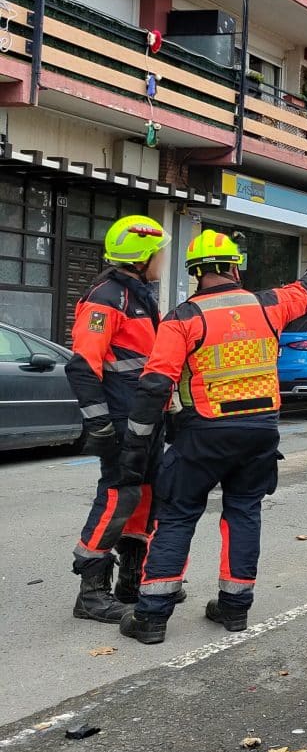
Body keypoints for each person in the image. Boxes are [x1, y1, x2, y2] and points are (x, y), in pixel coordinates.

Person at [114, 232, 307, 644]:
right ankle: (233, 610)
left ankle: (152, 618)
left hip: (202, 434)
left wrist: (136, 445)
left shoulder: (181, 318)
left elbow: (154, 385)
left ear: (195, 273)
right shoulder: (269, 304)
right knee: (244, 512)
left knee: (177, 515)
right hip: (260, 433)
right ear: (235, 268)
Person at [65, 215, 173, 622]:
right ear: (142, 256)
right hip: (121, 422)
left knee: (146, 495)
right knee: (118, 496)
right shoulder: (106, 298)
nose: (162, 258)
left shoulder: (137, 293)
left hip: (144, 420)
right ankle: (91, 592)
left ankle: (131, 579)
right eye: (159, 252)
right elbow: (82, 367)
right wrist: (100, 425)